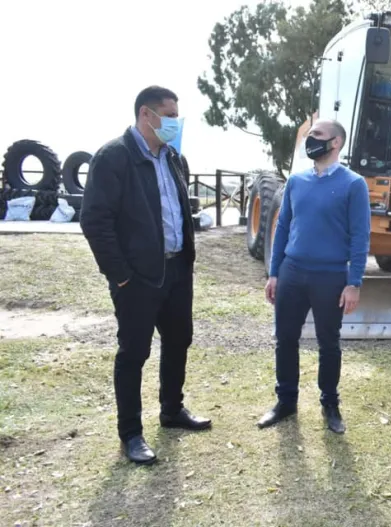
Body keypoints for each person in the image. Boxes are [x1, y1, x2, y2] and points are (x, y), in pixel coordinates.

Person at [80, 85, 211, 465]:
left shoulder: (173, 158)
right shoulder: (113, 157)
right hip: (137, 278)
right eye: (169, 116)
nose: (175, 123)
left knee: (179, 339)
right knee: (134, 352)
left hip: (176, 269)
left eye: (176, 116)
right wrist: (121, 275)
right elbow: (95, 221)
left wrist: (186, 259)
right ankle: (131, 434)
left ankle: (172, 410)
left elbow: (177, 211)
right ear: (145, 115)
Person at [257, 118, 371, 434]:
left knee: (328, 343)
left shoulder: (353, 184)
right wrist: (274, 273)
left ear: (336, 142)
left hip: (330, 276)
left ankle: (330, 404)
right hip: (292, 273)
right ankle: (285, 402)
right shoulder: (296, 182)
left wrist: (354, 282)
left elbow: (360, 236)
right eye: (309, 134)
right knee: (285, 339)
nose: (311, 139)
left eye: (317, 134)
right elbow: (283, 227)